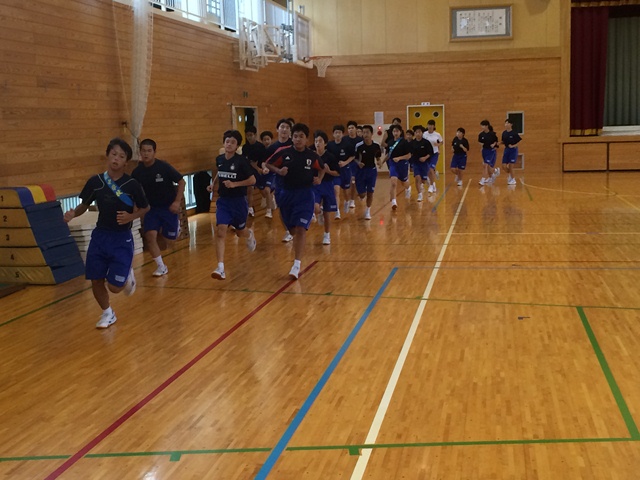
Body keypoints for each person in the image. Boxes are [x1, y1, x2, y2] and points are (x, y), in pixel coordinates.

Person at [63, 138, 150, 329]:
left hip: (121, 238)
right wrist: (73, 214)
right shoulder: (96, 182)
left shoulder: (132, 184)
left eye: (121, 156)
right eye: (113, 154)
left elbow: (145, 207)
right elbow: (84, 205)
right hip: (100, 237)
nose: (116, 159)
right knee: (96, 279)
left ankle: (126, 274)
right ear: (107, 156)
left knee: (115, 288)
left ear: (126, 162)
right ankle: (107, 313)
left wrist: (131, 217)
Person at [266, 123, 324, 279]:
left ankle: (296, 264)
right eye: (296, 136)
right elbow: (268, 163)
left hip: (305, 195)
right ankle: (297, 232)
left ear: (306, 139)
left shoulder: (312, 156)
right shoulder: (283, 152)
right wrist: (279, 170)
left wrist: (319, 179)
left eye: (301, 136)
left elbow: (322, 168)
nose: (298, 139)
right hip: (286, 194)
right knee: (292, 230)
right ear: (292, 137)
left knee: (300, 229)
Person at [132, 138, 185, 277]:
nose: (146, 154)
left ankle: (176, 226)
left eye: (149, 151)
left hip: (168, 208)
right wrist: (136, 207)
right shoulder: (137, 172)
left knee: (170, 241)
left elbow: (181, 182)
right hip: (151, 209)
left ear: (154, 152)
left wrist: (177, 202)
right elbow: (134, 191)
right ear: (140, 152)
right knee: (150, 236)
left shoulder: (164, 167)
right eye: (143, 151)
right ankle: (161, 266)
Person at [209, 130, 257, 280]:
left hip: (239, 202)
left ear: (237, 146)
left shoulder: (242, 161)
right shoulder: (219, 159)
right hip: (223, 201)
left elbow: (252, 180)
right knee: (221, 231)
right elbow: (219, 172)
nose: (229, 144)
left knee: (240, 232)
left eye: (233, 142)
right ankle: (220, 267)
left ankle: (249, 234)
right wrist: (213, 184)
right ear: (224, 143)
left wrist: (235, 184)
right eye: (227, 141)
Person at [264, 119, 294, 241]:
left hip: (295, 181)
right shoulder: (272, 148)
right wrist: (276, 170)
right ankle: (288, 231)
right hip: (280, 181)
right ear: (277, 129)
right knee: (282, 208)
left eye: (287, 127)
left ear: (290, 131)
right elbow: (266, 163)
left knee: (294, 206)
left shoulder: (294, 144)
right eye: (282, 127)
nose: (284, 129)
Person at [313, 130, 339, 244]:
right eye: (316, 141)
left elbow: (337, 173)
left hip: (328, 184)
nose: (317, 143)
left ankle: (327, 235)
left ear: (325, 143)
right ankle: (319, 212)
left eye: (320, 141)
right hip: (315, 185)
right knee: (315, 207)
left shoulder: (330, 157)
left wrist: (328, 171)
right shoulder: (312, 156)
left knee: (327, 213)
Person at [326, 124, 355, 220]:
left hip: (345, 170)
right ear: (333, 134)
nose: (338, 134)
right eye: (336, 133)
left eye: (339, 133)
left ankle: (347, 201)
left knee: (346, 191)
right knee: (336, 191)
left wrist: (345, 163)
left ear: (342, 134)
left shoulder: (347, 145)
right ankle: (337, 211)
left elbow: (352, 156)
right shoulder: (330, 145)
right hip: (335, 171)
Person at [355, 125, 382, 220]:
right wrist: (359, 163)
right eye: (364, 132)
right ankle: (361, 194)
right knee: (362, 194)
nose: (365, 134)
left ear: (371, 134)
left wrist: (379, 162)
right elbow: (355, 158)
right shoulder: (359, 146)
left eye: (367, 132)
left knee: (370, 192)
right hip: (361, 171)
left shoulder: (376, 145)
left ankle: (368, 211)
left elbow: (378, 157)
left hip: (371, 171)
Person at [243, 125, 268, 217]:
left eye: (251, 135)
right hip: (249, 171)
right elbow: (246, 161)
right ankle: (250, 208)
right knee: (249, 189)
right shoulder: (245, 147)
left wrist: (260, 169)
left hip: (259, 171)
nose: (249, 137)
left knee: (262, 190)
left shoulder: (260, 146)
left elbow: (263, 160)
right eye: (247, 135)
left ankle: (270, 200)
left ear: (255, 135)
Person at [386, 124, 412, 209]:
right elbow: (388, 154)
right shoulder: (390, 142)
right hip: (393, 164)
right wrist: (382, 162)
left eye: (397, 131)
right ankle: (394, 201)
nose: (395, 133)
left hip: (402, 164)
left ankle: (408, 188)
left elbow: (409, 155)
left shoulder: (404, 142)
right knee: (393, 182)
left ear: (400, 132)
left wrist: (399, 158)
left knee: (404, 181)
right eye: (394, 131)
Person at [410, 125, 433, 202]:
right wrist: (411, 164)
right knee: (417, 178)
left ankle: (427, 180)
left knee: (423, 180)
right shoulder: (412, 143)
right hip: (416, 163)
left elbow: (430, 153)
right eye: (416, 132)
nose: (418, 134)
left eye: (419, 132)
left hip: (424, 163)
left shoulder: (426, 142)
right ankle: (420, 194)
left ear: (422, 133)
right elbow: (410, 154)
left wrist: (425, 158)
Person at [422, 119, 443, 194]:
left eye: (431, 125)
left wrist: (438, 145)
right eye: (429, 125)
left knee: (431, 169)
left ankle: (431, 185)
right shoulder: (424, 134)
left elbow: (441, 142)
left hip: (434, 153)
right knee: (428, 169)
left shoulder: (437, 134)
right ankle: (433, 183)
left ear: (434, 126)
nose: (430, 126)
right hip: (427, 154)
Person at [346, 120, 363, 209]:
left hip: (357, 163)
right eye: (349, 128)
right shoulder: (344, 140)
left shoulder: (360, 140)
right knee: (349, 182)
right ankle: (348, 199)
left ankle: (352, 199)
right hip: (347, 163)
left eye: (352, 128)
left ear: (356, 129)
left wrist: (360, 162)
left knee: (354, 182)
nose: (351, 130)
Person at [478, 120, 500, 186]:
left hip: (491, 151)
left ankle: (482, 179)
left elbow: (496, 141)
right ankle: (495, 170)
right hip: (484, 151)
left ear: (486, 126)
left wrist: (493, 144)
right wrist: (481, 146)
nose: (482, 127)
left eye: (483, 126)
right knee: (488, 167)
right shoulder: (481, 134)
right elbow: (480, 142)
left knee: (485, 165)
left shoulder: (492, 134)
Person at [501, 118, 522, 186]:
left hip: (513, 150)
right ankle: (510, 174)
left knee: (511, 165)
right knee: (504, 166)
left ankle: (513, 179)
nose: (506, 124)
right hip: (506, 150)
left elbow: (520, 141)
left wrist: (513, 146)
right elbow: (503, 141)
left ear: (511, 124)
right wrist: (497, 144)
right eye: (505, 123)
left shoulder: (514, 133)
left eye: (507, 123)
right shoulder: (504, 133)